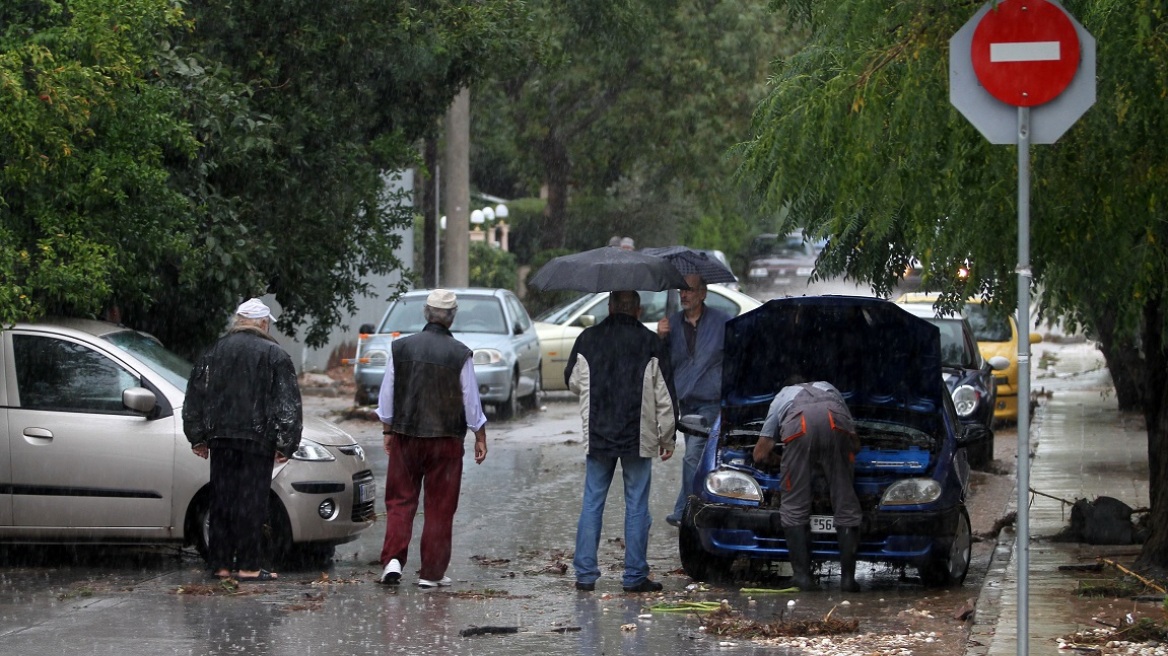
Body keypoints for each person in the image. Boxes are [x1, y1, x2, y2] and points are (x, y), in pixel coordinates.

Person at [184, 298, 303, 582]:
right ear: (263, 323)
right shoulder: (275, 354)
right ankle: (249, 566)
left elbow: (195, 395)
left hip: (222, 439)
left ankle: (221, 565)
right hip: (257, 440)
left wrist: (197, 436)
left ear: (238, 322)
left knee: (223, 500)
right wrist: (287, 442)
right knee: (251, 503)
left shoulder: (214, 351)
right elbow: (288, 402)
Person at [376, 289, 488, 588]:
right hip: (446, 441)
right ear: (451, 317)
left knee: (400, 500)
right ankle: (432, 573)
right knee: (440, 505)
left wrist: (388, 431)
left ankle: (393, 561)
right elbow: (470, 400)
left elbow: (386, 395)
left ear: (426, 313)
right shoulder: (459, 353)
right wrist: (480, 434)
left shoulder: (400, 348)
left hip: (406, 435)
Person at [566, 290, 675, 593]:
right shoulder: (650, 342)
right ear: (638, 310)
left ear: (610, 307)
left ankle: (585, 574)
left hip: (598, 432)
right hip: (636, 435)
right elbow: (664, 395)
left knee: (592, 502)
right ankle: (634, 575)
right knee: (637, 504)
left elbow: (573, 380)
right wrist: (667, 436)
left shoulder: (588, 339)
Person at [752, 379, 862, 592]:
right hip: (835, 422)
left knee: (794, 505)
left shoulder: (782, 396)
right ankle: (848, 580)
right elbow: (855, 444)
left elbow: (760, 453)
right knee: (846, 502)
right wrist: (828, 461)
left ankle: (802, 577)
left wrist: (782, 460)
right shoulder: (830, 388)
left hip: (799, 426)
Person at [656, 274, 731, 527]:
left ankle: (690, 512)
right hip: (685, 401)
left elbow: (737, 355)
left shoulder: (722, 322)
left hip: (711, 401)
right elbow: (662, 362)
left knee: (692, 457)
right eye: (681, 290)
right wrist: (660, 338)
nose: (684, 295)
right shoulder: (672, 323)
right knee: (697, 458)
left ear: (703, 293)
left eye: (689, 290)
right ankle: (687, 508)